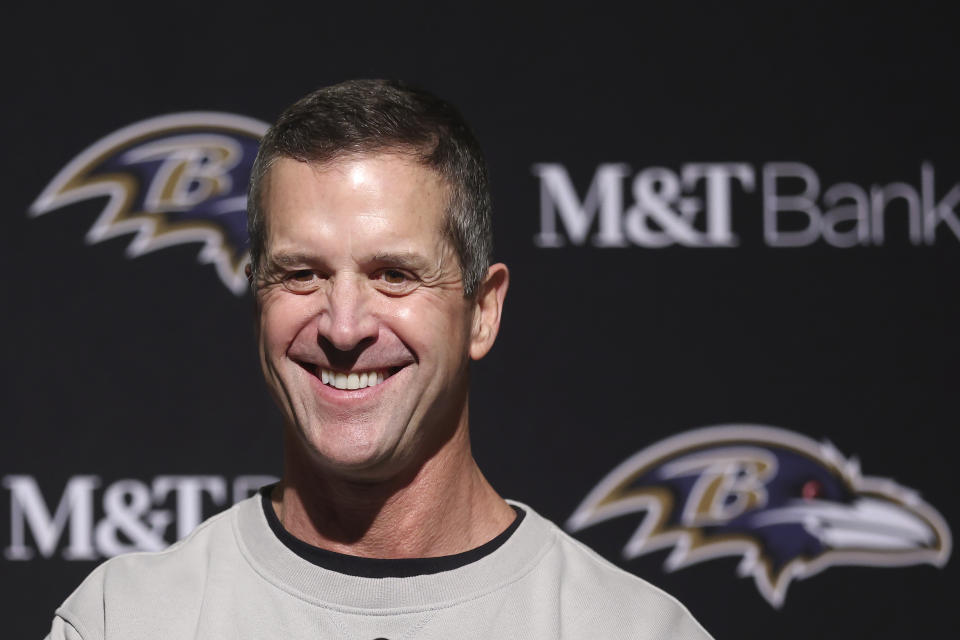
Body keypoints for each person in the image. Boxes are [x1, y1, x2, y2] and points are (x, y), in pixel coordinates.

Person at [46, 79, 712, 640]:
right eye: (301, 273)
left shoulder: (633, 630)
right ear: (257, 300)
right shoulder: (124, 622)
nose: (343, 326)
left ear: (483, 310)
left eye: (393, 274)